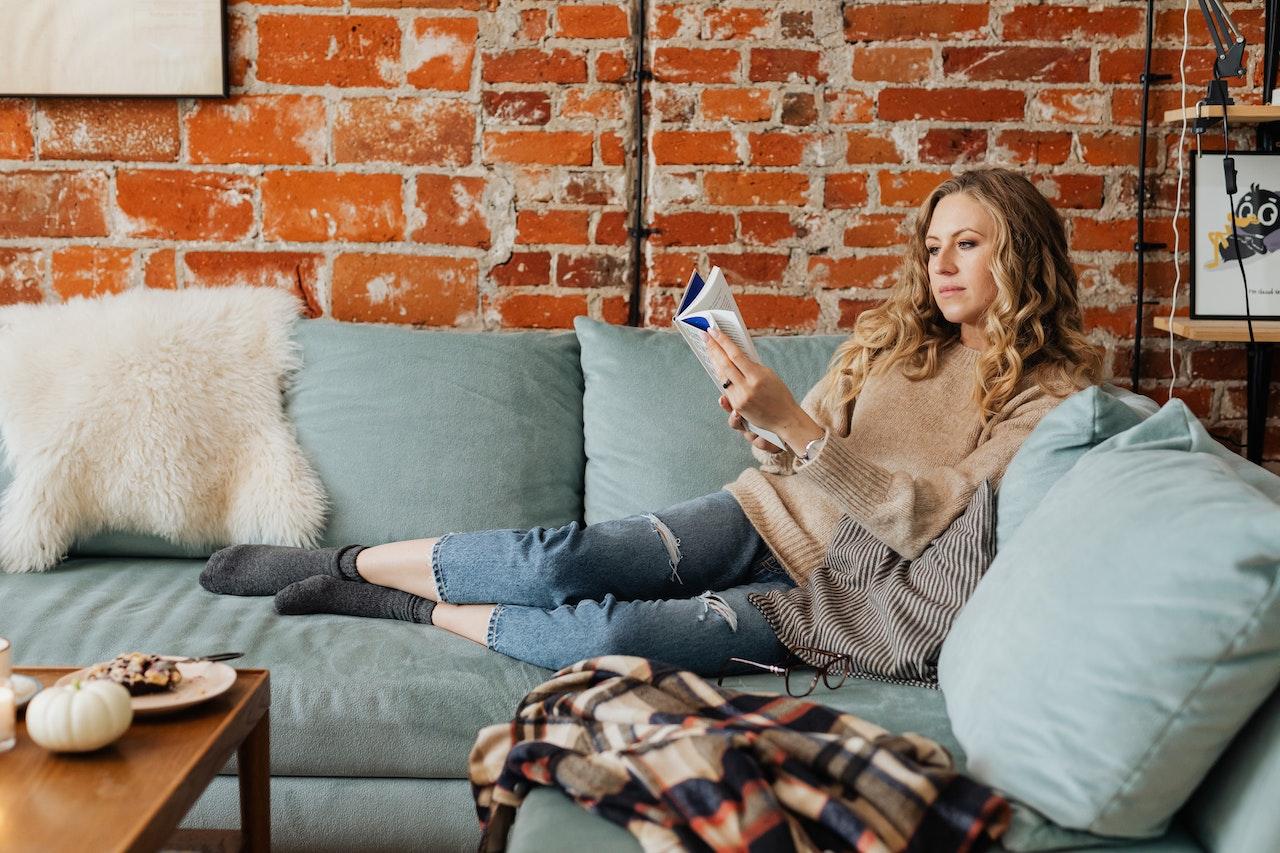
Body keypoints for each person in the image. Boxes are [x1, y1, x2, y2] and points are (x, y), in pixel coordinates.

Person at [200, 167, 1102, 675]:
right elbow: (797, 453)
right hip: (762, 514)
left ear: (1018, 252)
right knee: (564, 560)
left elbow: (932, 516)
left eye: (967, 244)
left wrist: (804, 431)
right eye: (933, 245)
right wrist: (762, 417)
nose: (940, 265)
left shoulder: (1046, 397)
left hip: (841, 588)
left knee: (609, 637)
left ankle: (401, 603)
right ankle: (340, 562)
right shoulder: (893, 339)